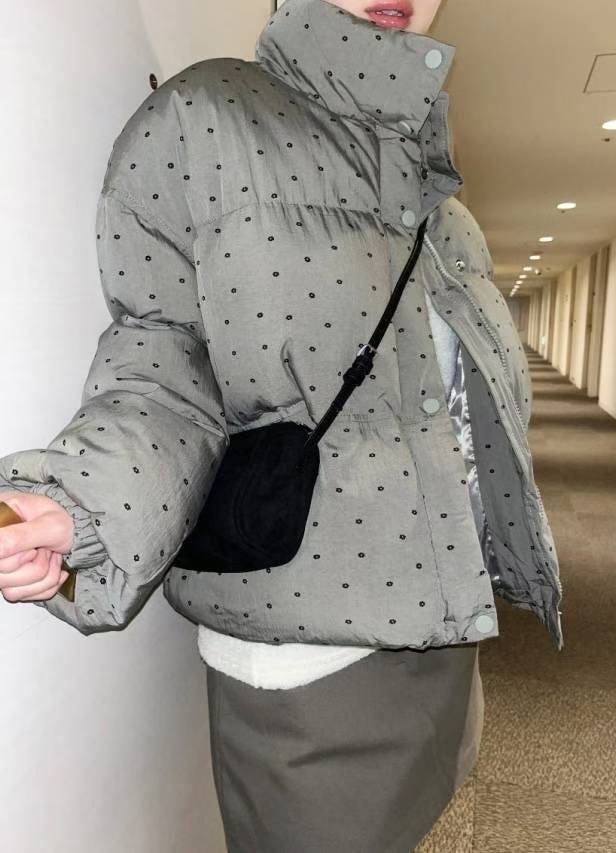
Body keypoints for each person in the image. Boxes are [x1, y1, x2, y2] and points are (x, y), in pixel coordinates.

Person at [0, 0, 563, 850]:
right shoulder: (206, 119)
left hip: (446, 634)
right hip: (310, 671)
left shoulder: (445, 207)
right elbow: (166, 363)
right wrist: (78, 500)